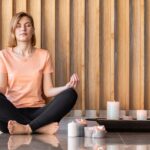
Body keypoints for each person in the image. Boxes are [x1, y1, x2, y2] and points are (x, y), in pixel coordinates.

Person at [0, 12, 79, 135]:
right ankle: (40, 128)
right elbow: (2, 89)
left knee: (70, 94)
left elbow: (48, 91)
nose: (23, 29)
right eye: (18, 26)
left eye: (27, 25)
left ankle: (27, 128)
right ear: (13, 31)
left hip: (39, 112)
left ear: (33, 30)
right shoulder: (4, 55)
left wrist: (66, 87)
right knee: (5, 121)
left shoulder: (44, 55)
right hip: (13, 112)